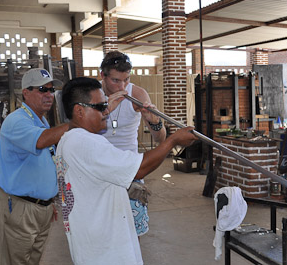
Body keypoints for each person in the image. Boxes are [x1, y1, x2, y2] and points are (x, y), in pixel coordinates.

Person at [56, 77, 197, 264]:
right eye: (100, 107)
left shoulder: (67, 140)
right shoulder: (86, 143)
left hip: (91, 244)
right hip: (105, 251)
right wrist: (173, 141)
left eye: (106, 105)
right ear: (79, 111)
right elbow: (139, 169)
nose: (107, 111)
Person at [0, 68, 69, 265]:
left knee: (32, 260)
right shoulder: (16, 121)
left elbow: (45, 161)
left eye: (51, 90)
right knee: (14, 261)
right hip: (19, 207)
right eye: (42, 89)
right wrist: (76, 123)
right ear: (25, 92)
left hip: (39, 208)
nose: (49, 95)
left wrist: (47, 200)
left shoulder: (40, 120)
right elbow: (41, 141)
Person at [100, 51, 166, 236]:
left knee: (132, 231)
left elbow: (160, 138)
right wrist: (105, 108)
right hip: (99, 167)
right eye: (115, 80)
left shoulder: (137, 94)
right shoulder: (93, 94)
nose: (122, 86)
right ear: (102, 76)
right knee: (103, 228)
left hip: (130, 170)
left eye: (126, 80)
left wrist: (153, 121)